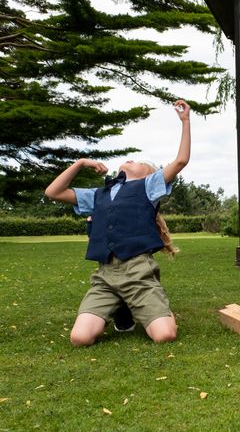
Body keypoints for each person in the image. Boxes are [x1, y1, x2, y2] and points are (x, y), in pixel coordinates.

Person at [44, 100, 191, 346]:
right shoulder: (98, 194)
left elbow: (180, 161)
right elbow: (53, 192)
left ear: (149, 173)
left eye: (137, 160)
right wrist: (80, 162)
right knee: (80, 338)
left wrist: (185, 122)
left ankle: (154, 308)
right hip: (105, 274)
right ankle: (121, 305)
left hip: (138, 271)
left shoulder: (148, 186)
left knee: (165, 335)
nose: (130, 159)